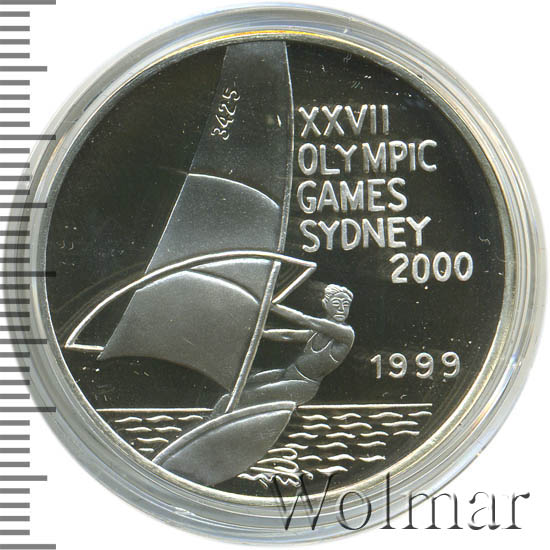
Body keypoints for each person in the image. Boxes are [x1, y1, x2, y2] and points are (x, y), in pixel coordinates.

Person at [213, 284, 355, 413]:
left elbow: (304, 319)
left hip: (302, 386)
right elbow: (288, 335)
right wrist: (262, 333)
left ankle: (219, 421)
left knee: (240, 396)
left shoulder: (345, 333)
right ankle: (217, 418)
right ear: (325, 304)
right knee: (241, 384)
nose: (341, 309)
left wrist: (272, 306)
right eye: (336, 303)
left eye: (346, 305)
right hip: (287, 375)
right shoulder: (317, 333)